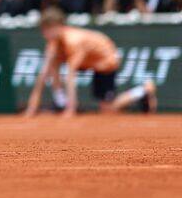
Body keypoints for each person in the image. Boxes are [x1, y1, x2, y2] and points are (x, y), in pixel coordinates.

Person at [23, 7, 156, 117]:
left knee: (108, 109)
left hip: (106, 60)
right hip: (90, 62)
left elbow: (70, 74)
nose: (44, 34)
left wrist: (71, 109)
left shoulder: (73, 41)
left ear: (58, 26)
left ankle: (144, 90)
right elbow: (43, 74)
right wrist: (32, 106)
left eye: (47, 29)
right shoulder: (53, 43)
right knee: (53, 63)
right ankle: (60, 102)